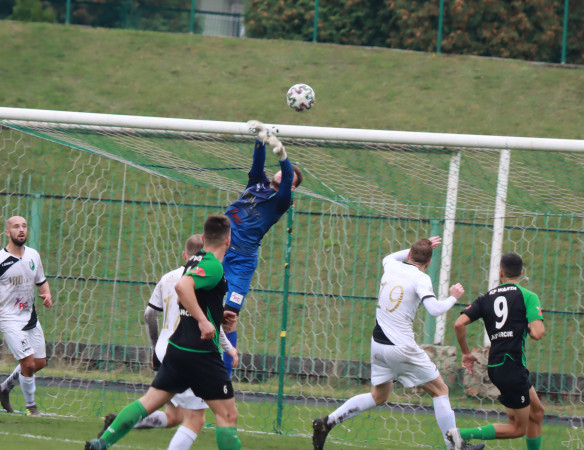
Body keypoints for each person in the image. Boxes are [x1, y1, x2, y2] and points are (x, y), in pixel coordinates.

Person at [85, 215, 242, 450]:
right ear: (228, 241)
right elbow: (182, 288)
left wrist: (214, 316)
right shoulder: (213, 266)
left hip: (177, 348)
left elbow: (185, 298)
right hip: (200, 353)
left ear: (203, 237)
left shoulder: (194, 260)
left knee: (149, 401)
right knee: (227, 415)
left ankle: (102, 442)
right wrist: (203, 321)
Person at [311, 237, 482, 450]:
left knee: (379, 395)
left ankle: (327, 423)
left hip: (378, 345)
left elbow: (394, 256)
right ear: (428, 263)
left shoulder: (390, 264)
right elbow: (435, 309)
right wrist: (453, 297)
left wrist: (421, 245)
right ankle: (455, 447)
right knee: (440, 390)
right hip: (401, 347)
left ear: (409, 255)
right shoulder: (421, 278)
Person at [221, 122, 301, 375]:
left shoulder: (281, 201)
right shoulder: (257, 183)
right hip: (219, 250)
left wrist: (282, 154)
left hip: (243, 260)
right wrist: (260, 139)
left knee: (229, 317)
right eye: (276, 172)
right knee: (196, 305)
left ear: (293, 188)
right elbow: (257, 164)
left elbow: (287, 175)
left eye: (289, 179)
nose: (279, 175)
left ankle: (225, 376)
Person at [447, 252, 545, 450]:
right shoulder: (527, 296)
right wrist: (521, 324)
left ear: (501, 272)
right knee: (517, 428)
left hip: (498, 365)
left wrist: (466, 353)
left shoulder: (486, 298)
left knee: (537, 413)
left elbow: (459, 324)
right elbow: (537, 333)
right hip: (512, 367)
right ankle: (461, 435)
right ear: (521, 273)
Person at [0, 215, 53, 417]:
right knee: (28, 362)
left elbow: (41, 281)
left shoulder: (33, 255)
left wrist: (47, 294)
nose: (21, 230)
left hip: (29, 316)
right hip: (9, 318)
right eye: (16, 227)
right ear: (7, 232)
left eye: (24, 226)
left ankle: (4, 389)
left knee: (39, 363)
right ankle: (32, 408)